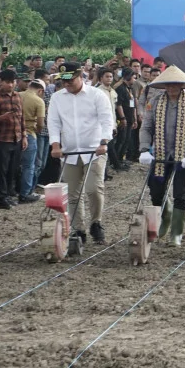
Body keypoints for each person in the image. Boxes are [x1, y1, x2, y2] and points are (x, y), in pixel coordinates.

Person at [48, 62, 115, 247]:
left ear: (81, 76)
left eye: (70, 80)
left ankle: (96, 222)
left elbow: (107, 120)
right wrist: (55, 145)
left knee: (93, 189)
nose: (67, 84)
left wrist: (103, 142)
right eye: (64, 81)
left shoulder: (96, 95)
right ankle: (79, 229)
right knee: (72, 194)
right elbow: (53, 123)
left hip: (94, 150)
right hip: (69, 151)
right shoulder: (57, 98)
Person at [138, 67, 185, 246]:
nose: (172, 87)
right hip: (160, 155)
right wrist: (144, 149)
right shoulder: (154, 102)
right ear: (164, 86)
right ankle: (165, 215)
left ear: (181, 85)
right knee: (156, 191)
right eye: (169, 84)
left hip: (182, 157)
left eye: (176, 84)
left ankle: (176, 232)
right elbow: (146, 127)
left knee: (181, 194)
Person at [0, 69, 27, 210]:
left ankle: (8, 195)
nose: (10, 85)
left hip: (16, 138)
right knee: (1, 170)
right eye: (7, 82)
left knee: (13, 169)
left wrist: (24, 136)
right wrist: (0, 118)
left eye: (12, 82)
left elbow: (21, 118)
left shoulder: (18, 96)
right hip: (1, 139)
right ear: (1, 82)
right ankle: (1, 198)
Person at [18, 78, 45, 204]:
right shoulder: (38, 101)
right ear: (40, 91)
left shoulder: (17, 95)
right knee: (29, 166)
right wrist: (38, 130)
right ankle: (26, 193)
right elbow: (40, 123)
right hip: (29, 134)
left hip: (13, 134)